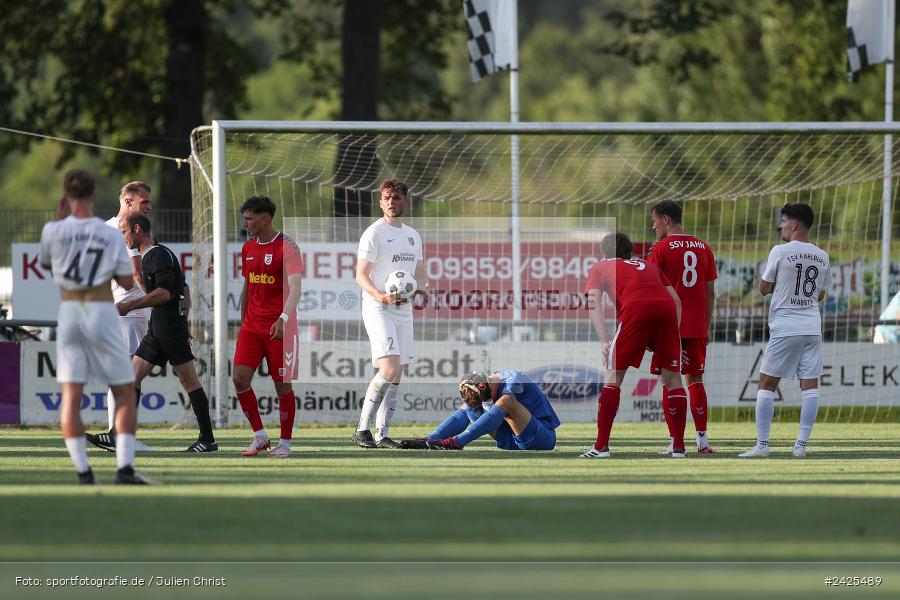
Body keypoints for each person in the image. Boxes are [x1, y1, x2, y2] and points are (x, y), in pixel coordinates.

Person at [38, 169, 151, 484]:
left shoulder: (53, 230)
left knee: (71, 397)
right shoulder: (109, 233)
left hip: (71, 313)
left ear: (66, 197)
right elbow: (127, 280)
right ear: (92, 196)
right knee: (125, 392)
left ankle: (84, 473)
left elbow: (46, 264)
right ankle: (124, 469)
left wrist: (60, 224)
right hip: (102, 312)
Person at [581, 232, 690, 458]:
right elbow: (677, 301)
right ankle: (678, 446)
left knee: (613, 377)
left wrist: (604, 341)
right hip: (667, 312)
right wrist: (671, 337)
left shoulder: (601, 266)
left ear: (605, 253)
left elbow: (593, 301)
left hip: (636, 311)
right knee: (673, 379)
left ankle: (601, 447)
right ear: (629, 251)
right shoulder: (647, 265)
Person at [116, 214, 217, 453]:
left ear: (137, 229)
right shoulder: (157, 254)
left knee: (188, 380)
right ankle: (122, 435)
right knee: (131, 378)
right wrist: (185, 320)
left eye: (124, 232)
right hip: (162, 324)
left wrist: (129, 305)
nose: (123, 238)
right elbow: (183, 289)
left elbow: (164, 293)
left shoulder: (157, 255)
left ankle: (208, 439)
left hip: (167, 324)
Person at [740, 204, 830, 458]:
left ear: (794, 225)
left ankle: (762, 446)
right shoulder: (822, 255)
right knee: (810, 386)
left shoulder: (780, 251)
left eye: (783, 220)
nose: (780, 225)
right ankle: (800, 446)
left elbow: (764, 287)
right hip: (812, 326)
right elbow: (821, 293)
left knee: (766, 384)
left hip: (786, 326)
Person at [352, 179, 427, 449]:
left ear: (405, 201)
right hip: (379, 307)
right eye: (387, 198)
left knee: (397, 374)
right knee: (389, 368)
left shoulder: (412, 235)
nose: (391, 202)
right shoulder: (374, 233)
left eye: (396, 197)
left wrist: (423, 289)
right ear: (380, 202)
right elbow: (361, 275)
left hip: (403, 309)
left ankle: (382, 434)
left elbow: (418, 272)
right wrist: (380, 296)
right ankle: (362, 429)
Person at [232, 196, 304, 458]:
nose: (245, 223)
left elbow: (295, 289)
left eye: (249, 218)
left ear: (265, 219)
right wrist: (243, 323)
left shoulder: (288, 247)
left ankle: (285, 444)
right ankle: (260, 436)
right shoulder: (248, 248)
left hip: (281, 328)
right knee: (239, 378)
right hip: (252, 328)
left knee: (282, 386)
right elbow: (247, 287)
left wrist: (283, 319)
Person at [86, 181, 155, 453]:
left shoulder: (139, 229)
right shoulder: (106, 230)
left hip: (137, 311)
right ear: (128, 201)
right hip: (119, 310)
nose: (149, 207)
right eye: (144, 202)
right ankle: (120, 437)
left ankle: (122, 434)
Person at [648, 200, 718, 454]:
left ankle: (675, 441)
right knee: (696, 379)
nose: (653, 226)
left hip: (670, 326)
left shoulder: (661, 248)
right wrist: (707, 325)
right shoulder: (703, 247)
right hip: (697, 324)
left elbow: (654, 290)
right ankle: (703, 441)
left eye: (654, 220)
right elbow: (710, 291)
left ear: (666, 219)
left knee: (670, 381)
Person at [401, 371, 560, 451]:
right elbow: (465, 415)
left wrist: (487, 402)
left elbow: (503, 405)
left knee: (505, 401)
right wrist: (428, 440)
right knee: (468, 407)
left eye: (484, 398)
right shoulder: (484, 393)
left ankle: (456, 442)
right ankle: (430, 439)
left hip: (541, 438)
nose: (482, 404)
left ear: (488, 387)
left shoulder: (513, 380)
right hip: (509, 443)